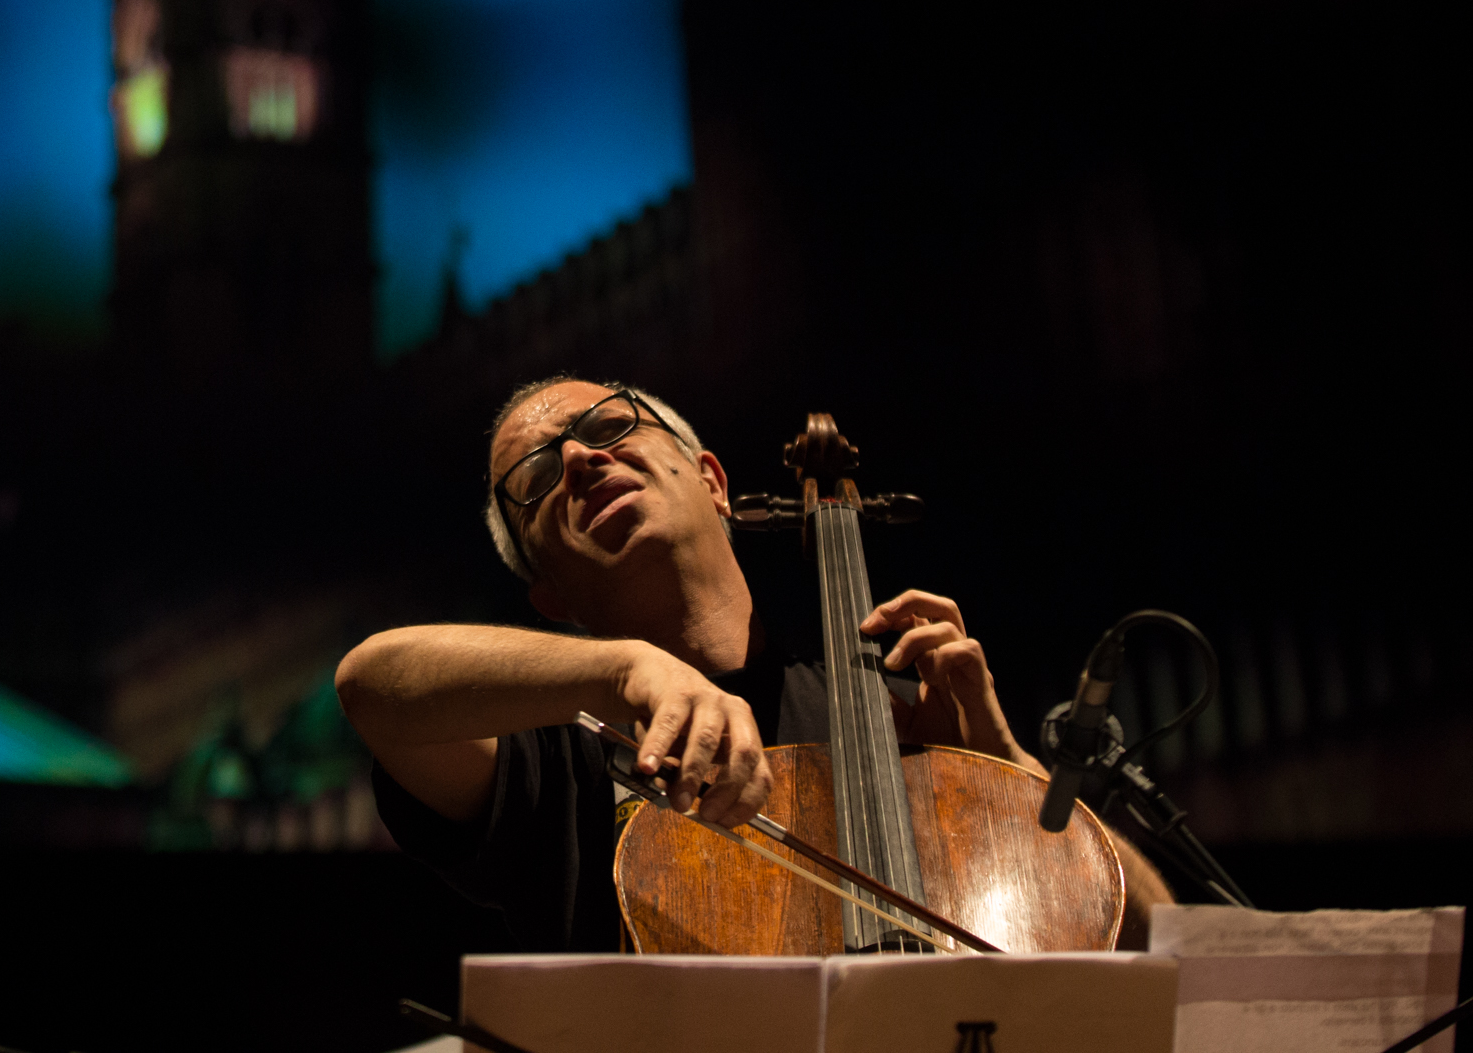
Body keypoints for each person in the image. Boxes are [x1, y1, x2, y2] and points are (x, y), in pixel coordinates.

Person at [336, 377, 1173, 951]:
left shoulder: (890, 714)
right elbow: (372, 683)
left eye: (609, 428)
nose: (584, 460)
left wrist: (1009, 776)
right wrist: (630, 671)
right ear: (548, 591)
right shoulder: (550, 743)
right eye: (540, 476)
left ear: (712, 481)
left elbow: (1148, 937)